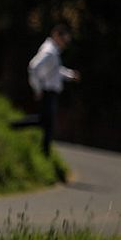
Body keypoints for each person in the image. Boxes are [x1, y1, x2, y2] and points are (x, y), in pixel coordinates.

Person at [28, 24, 81, 155]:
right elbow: (33, 67)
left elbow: (56, 71)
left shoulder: (53, 50)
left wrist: (70, 74)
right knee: (47, 124)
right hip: (47, 91)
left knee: (44, 122)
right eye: (64, 40)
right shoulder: (49, 51)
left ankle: (44, 152)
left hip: (49, 91)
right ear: (57, 36)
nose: (65, 44)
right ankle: (45, 153)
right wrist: (37, 89)